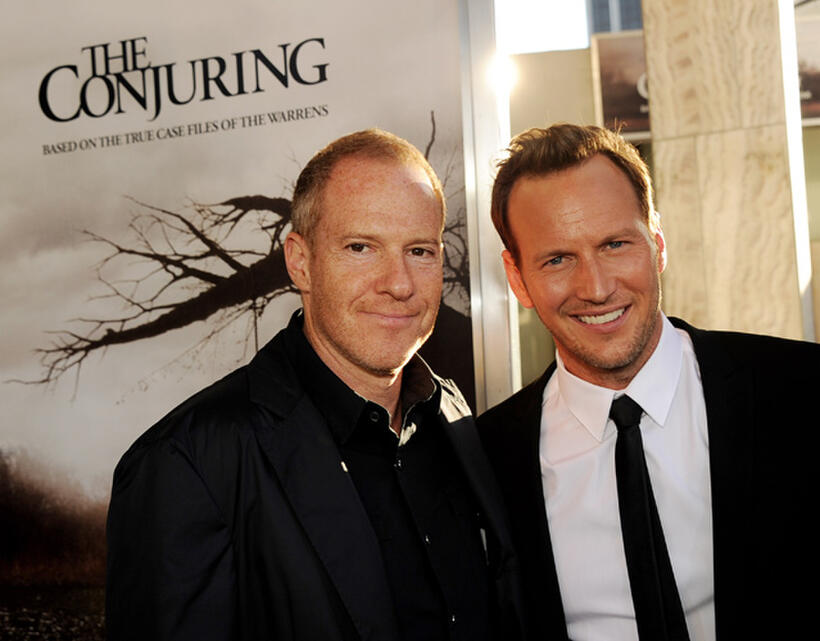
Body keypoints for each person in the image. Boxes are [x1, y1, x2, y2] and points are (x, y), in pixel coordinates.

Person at [106, 128, 525, 641]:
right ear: (299, 262)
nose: (398, 283)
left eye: (420, 251)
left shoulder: (454, 418)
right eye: (360, 247)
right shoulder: (189, 463)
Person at [477, 123, 819, 641]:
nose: (595, 287)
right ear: (518, 277)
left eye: (615, 244)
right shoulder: (488, 459)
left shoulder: (801, 391)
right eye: (557, 259)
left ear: (657, 245)